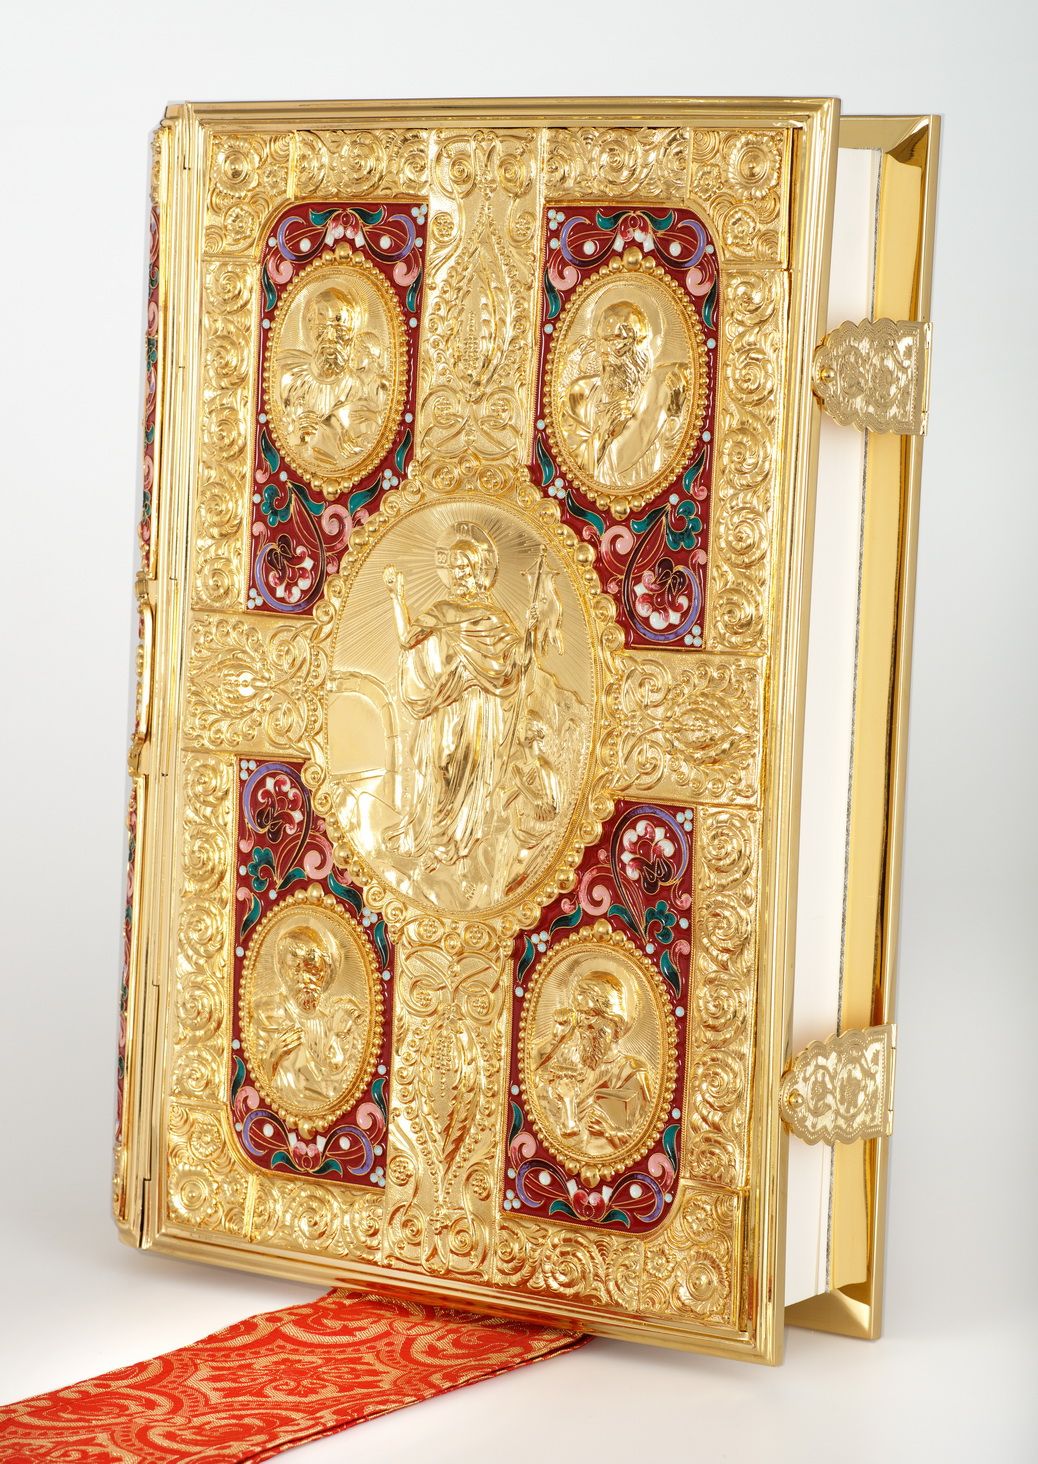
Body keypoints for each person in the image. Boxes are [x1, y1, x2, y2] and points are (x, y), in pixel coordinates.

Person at [561, 296, 691, 491]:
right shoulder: (581, 395)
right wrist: (603, 434)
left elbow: (675, 465)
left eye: (616, 340)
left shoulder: (663, 388)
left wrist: (674, 416)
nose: (604, 351)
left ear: (638, 345)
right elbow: (566, 466)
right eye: (601, 340)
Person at [534, 967, 652, 1150]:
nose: (580, 1024)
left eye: (588, 1015)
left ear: (612, 1021)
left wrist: (609, 1131)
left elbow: (645, 1137)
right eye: (578, 1013)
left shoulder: (630, 1072)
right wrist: (557, 1040)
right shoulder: (570, 1063)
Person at [277, 283, 387, 473]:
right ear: (309, 328)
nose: (330, 338)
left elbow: (366, 437)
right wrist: (297, 435)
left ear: (352, 334)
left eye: (340, 331)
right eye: (321, 329)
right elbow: (281, 434)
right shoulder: (289, 375)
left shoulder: (361, 387)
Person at [255, 921, 361, 1109]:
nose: (304, 978)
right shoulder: (265, 1012)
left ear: (325, 973)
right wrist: (273, 1055)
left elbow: (342, 1082)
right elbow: (253, 1079)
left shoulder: (332, 1024)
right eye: (296, 969)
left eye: (312, 970)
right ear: (283, 970)